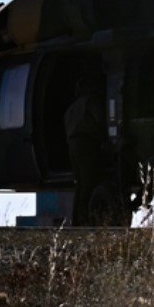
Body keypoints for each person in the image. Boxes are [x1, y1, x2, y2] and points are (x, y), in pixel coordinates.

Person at [64, 69, 108, 225]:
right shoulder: (91, 101)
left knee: (80, 183)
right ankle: (86, 219)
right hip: (88, 144)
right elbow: (101, 121)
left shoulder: (72, 108)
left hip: (73, 146)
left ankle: (77, 219)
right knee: (89, 182)